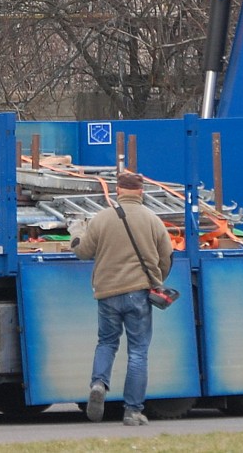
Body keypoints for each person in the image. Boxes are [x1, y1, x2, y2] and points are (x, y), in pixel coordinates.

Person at [70, 169, 173, 427]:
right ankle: (133, 411)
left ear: (117, 192)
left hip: (107, 293)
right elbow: (167, 256)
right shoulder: (153, 220)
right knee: (137, 352)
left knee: (106, 342)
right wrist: (158, 279)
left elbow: (83, 252)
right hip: (139, 292)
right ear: (141, 192)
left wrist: (76, 232)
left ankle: (98, 384)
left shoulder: (101, 219)